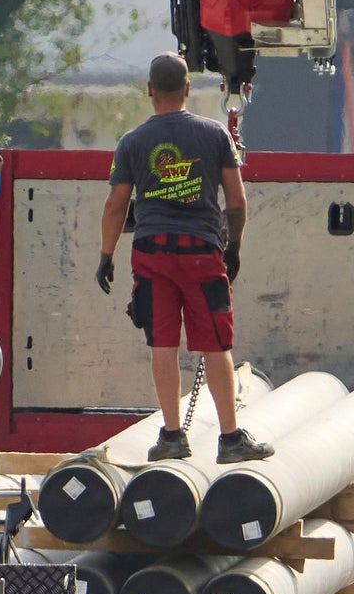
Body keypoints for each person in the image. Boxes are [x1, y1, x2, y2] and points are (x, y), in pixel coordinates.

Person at [98, 57, 263, 462]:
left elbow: (116, 205)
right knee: (215, 345)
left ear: (150, 91)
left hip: (152, 254)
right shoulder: (214, 135)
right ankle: (230, 440)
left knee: (162, 342)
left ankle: (172, 436)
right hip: (200, 253)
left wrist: (105, 256)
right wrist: (234, 247)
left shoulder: (132, 142)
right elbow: (237, 201)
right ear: (187, 89)